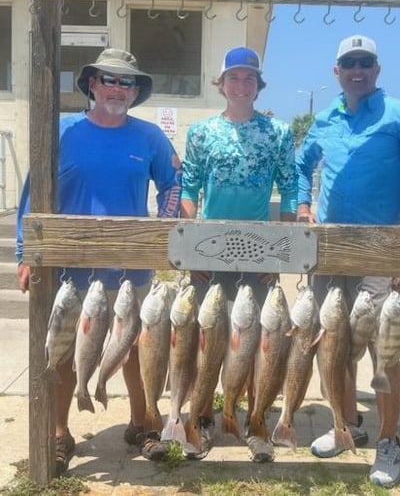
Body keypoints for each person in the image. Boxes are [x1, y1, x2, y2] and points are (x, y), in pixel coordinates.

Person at [16, 48, 182, 474]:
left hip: (131, 269)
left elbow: (173, 186)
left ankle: (141, 424)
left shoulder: (150, 138)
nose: (117, 88)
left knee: (136, 353)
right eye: (109, 79)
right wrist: (25, 252)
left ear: (135, 91)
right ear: (91, 83)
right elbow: (33, 192)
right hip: (68, 272)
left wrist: (165, 231)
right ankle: (58, 433)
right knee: (66, 353)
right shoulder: (61, 131)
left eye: (126, 82)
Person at [296, 35, 400, 487]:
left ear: (377, 68)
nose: (357, 70)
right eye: (348, 63)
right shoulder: (324, 117)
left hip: (380, 248)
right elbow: (301, 165)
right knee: (332, 343)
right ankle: (345, 424)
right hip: (330, 248)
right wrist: (301, 206)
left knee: (383, 348)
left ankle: (389, 440)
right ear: (336, 71)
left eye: (365, 62)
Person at [178, 46, 297, 462]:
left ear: (258, 85)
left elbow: (292, 186)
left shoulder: (278, 133)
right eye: (234, 77)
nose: (241, 85)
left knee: (255, 344)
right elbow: (189, 187)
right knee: (206, 343)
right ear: (221, 83)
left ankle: (256, 421)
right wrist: (190, 245)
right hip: (208, 255)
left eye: (249, 78)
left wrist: (280, 255)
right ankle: (202, 420)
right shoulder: (202, 132)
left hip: (259, 254)